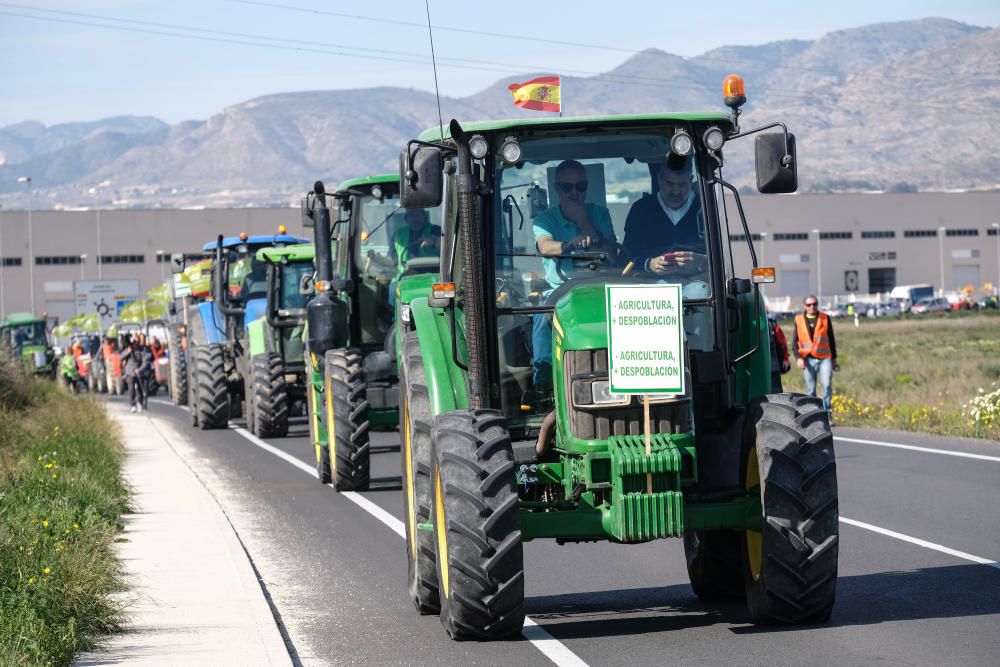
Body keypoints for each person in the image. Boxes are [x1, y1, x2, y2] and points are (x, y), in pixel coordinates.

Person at [531, 160, 617, 392]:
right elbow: (545, 247)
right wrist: (569, 244)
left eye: (580, 186)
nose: (575, 192)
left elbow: (611, 250)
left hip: (600, 285)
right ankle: (543, 380)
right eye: (568, 187)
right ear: (557, 188)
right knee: (544, 317)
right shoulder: (544, 220)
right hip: (561, 290)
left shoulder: (599, 214)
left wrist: (582, 221)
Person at [622, 154, 707, 275]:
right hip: (649, 284)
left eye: (682, 184)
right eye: (670, 184)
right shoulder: (640, 210)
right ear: (659, 179)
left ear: (690, 179)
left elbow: (723, 256)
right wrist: (648, 264)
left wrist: (702, 261)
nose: (676, 191)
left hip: (702, 286)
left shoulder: (706, 209)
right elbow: (626, 256)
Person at [791, 295, 840, 411]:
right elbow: (794, 342)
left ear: (817, 305)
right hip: (807, 359)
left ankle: (827, 413)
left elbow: (831, 339)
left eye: (814, 304)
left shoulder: (825, 318)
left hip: (825, 358)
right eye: (809, 305)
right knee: (810, 390)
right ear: (804, 306)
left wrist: (834, 359)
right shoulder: (798, 320)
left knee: (827, 385)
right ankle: (813, 415)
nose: (812, 307)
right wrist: (798, 358)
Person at [393, 208, 441, 274]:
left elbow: (442, 244)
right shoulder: (399, 234)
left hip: (432, 274)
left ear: (424, 217)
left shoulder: (436, 230)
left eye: (418, 214)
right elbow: (392, 255)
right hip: (403, 275)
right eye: (411, 215)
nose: (415, 218)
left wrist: (433, 242)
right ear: (406, 219)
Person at [768, 315, 791, 393]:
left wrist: (785, 359)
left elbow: (782, 343)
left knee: (776, 391)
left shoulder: (771, 324)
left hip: (773, 366)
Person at [120, 337, 142, 413]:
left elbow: (141, 359)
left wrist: (140, 369)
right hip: (130, 372)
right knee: (131, 389)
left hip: (138, 372)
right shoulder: (127, 350)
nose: (134, 344)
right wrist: (128, 352)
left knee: (139, 390)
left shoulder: (139, 350)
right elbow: (120, 357)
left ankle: (139, 403)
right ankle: (133, 405)